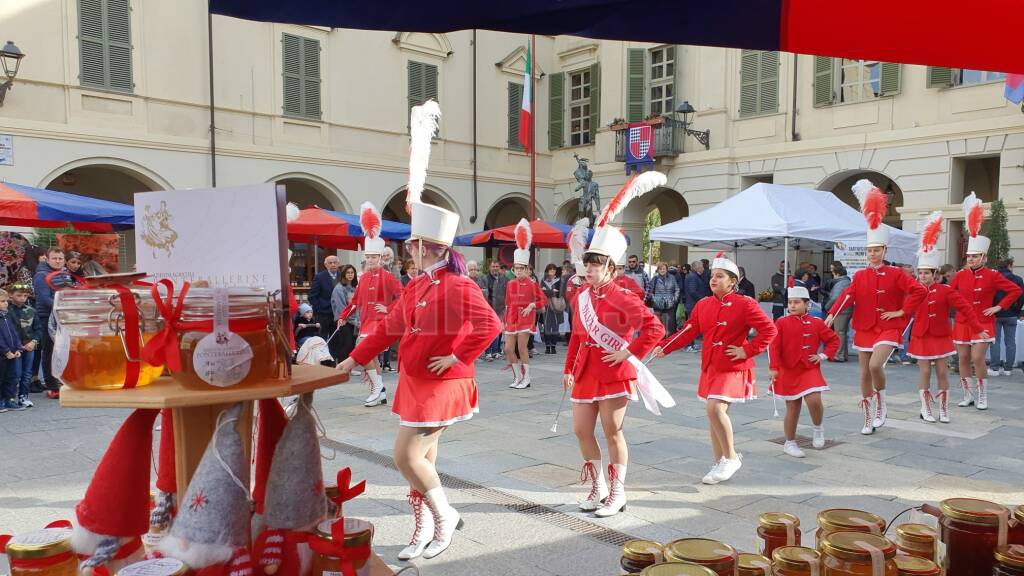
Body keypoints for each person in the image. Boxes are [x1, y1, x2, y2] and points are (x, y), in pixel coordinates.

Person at [336, 195, 501, 561]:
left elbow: (492, 324)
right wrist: (353, 359)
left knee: (406, 456)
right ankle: (425, 524)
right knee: (422, 460)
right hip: (415, 381)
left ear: (428, 247)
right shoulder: (416, 285)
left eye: (413, 244)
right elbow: (390, 327)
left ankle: (444, 516)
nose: (408, 249)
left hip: (443, 384)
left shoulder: (458, 284)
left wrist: (458, 356)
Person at [564, 171, 670, 517]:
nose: (589, 269)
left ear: (610, 267)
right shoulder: (580, 295)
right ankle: (597, 487)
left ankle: (618, 492)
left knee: (613, 432)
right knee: (582, 430)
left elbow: (654, 329)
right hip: (585, 371)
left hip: (613, 371)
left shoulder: (624, 297)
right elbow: (578, 338)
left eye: (596, 265)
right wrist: (568, 369)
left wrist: (629, 351)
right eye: (587, 264)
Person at [654, 252, 776, 484]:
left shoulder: (745, 304)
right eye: (712, 276)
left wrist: (747, 350)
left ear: (732, 281)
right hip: (711, 365)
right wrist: (665, 347)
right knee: (714, 414)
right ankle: (720, 460)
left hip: (732, 366)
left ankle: (731, 457)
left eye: (720, 276)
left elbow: (770, 330)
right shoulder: (703, 304)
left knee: (714, 409)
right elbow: (688, 331)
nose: (713, 280)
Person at [826, 180, 926, 435]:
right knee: (863, 373)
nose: (872, 254)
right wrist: (830, 315)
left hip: (889, 327)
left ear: (884, 249)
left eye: (876, 250)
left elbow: (918, 290)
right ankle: (868, 416)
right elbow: (847, 297)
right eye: (869, 251)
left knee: (875, 367)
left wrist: (903, 311)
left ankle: (881, 401)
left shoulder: (896, 273)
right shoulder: (859, 276)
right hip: (865, 328)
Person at [907, 213, 985, 424]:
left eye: (926, 273)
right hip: (921, 336)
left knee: (942, 370)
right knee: (924, 370)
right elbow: (904, 312)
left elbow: (966, 309)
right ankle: (925, 407)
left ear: (936, 274)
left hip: (941, 335)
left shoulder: (946, 290)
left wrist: (978, 328)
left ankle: (943, 408)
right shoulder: (913, 290)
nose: (922, 277)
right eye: (920, 273)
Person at [950, 193, 1022, 410]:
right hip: (962, 322)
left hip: (984, 322)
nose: (971, 259)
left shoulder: (992, 275)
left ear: (984, 257)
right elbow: (948, 294)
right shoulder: (960, 275)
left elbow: (1015, 290)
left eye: (975, 256)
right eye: (969, 256)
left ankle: (982, 396)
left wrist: (999, 306)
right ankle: (968, 394)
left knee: (977, 357)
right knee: (963, 358)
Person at [337, 202, 404, 408]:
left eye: (374, 257)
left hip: (380, 323)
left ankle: (377, 388)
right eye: (368, 257)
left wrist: (389, 309)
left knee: (363, 351)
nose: (371, 260)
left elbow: (403, 296)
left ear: (381, 258)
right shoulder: (364, 278)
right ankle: (379, 390)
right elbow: (356, 301)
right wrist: (343, 315)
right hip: (365, 321)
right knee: (368, 355)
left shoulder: (389, 277)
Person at [769, 280, 840, 458]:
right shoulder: (781, 322)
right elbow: (774, 346)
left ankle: (818, 428)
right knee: (793, 407)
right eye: (790, 302)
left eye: (797, 302)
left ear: (807, 304)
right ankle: (790, 442)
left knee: (815, 399)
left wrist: (822, 356)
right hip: (788, 370)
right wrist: (774, 367)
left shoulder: (816, 323)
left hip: (809, 368)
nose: (792, 306)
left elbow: (833, 340)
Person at [503, 219, 547, 389]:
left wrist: (532, 306)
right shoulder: (510, 284)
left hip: (526, 318)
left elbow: (543, 300)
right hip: (511, 318)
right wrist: (504, 320)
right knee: (508, 349)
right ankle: (517, 376)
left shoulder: (532, 283)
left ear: (527, 269)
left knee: (522, 348)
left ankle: (527, 378)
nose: (519, 271)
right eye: (516, 268)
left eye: (522, 268)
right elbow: (507, 303)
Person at [32, 247, 71, 396]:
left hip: (62, 317)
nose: (58, 261)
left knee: (62, 350)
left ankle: (60, 379)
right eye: (54, 258)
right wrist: (62, 308)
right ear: (47, 259)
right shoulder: (41, 275)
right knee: (49, 351)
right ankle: (51, 383)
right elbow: (44, 299)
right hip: (46, 317)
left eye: (60, 258)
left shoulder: (66, 274)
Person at [990, 258, 1024, 376]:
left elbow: (990, 296)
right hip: (1012, 314)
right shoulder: (1018, 279)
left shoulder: (993, 278)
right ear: (1009, 265)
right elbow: (1021, 297)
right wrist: (1018, 311)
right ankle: (1008, 369)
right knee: (1010, 342)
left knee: (995, 341)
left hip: (995, 313)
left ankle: (994, 368)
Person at [8, 284, 39, 408]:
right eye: (19, 295)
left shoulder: (31, 310)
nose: (22, 298)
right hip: (14, 347)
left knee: (27, 373)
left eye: (25, 296)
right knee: (15, 373)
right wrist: (16, 345)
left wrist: (34, 342)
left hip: (29, 346)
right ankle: (10, 397)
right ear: (11, 295)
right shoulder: (7, 311)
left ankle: (23, 396)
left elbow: (38, 329)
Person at [0, 289, 25, 412]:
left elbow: (14, 334)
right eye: (2, 301)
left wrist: (17, 348)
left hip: (12, 354)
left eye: (6, 301)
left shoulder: (6, 316)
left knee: (12, 377)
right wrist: (5, 351)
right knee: (1, 378)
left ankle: (9, 400)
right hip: (3, 355)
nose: (6, 304)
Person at [308, 255, 341, 345]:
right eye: (330, 263)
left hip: (338, 314)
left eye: (335, 262)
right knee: (321, 339)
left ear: (338, 264)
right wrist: (319, 308)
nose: (333, 265)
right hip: (323, 314)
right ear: (326, 265)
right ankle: (322, 358)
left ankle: (333, 358)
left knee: (336, 339)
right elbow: (312, 296)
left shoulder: (342, 276)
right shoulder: (319, 277)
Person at [823, 262, 852, 362]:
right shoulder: (846, 281)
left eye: (833, 272)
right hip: (845, 309)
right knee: (842, 332)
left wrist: (827, 307)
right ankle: (843, 355)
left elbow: (835, 297)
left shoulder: (841, 283)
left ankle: (839, 355)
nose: (832, 274)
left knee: (839, 332)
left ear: (837, 273)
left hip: (841, 310)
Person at [330, 264, 358, 362]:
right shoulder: (339, 288)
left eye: (352, 272)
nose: (350, 275)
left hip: (355, 321)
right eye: (348, 273)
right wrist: (347, 318)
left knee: (352, 345)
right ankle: (342, 366)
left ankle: (349, 366)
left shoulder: (355, 287)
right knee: (345, 344)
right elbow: (341, 307)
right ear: (343, 274)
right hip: (344, 321)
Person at [483, 260, 508, 361]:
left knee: (499, 331)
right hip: (489, 308)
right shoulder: (485, 278)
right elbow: (484, 294)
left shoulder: (505, 279)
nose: (495, 268)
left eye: (497, 266)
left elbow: (507, 293)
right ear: (490, 267)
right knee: (489, 331)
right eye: (493, 266)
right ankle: (488, 352)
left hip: (501, 309)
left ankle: (496, 351)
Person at [648, 262, 680, 333]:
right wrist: (655, 300)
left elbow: (677, 289)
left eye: (664, 269)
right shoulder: (655, 279)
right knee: (659, 327)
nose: (662, 270)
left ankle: (669, 342)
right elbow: (650, 291)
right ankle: (660, 342)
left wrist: (674, 299)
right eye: (660, 269)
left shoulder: (672, 278)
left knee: (670, 327)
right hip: (658, 306)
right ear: (658, 270)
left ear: (666, 270)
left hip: (670, 305)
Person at [540, 264, 563, 355]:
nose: (552, 271)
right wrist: (552, 292)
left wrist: (548, 292)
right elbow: (541, 292)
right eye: (550, 269)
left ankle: (553, 346)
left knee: (555, 327)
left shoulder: (559, 280)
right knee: (547, 327)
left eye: (554, 269)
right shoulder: (543, 280)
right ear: (547, 271)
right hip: (546, 306)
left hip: (556, 306)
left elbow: (560, 293)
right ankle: (547, 346)